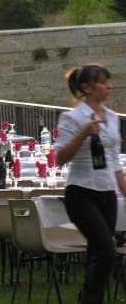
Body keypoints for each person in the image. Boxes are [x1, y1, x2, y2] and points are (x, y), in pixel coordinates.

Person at [55, 63, 126, 304]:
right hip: (81, 192)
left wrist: (124, 191)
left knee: (98, 253)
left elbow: (114, 160)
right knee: (106, 250)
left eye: (109, 81)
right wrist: (83, 134)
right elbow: (60, 158)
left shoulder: (113, 118)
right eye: (103, 82)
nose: (109, 86)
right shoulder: (72, 117)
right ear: (86, 87)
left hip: (107, 193)